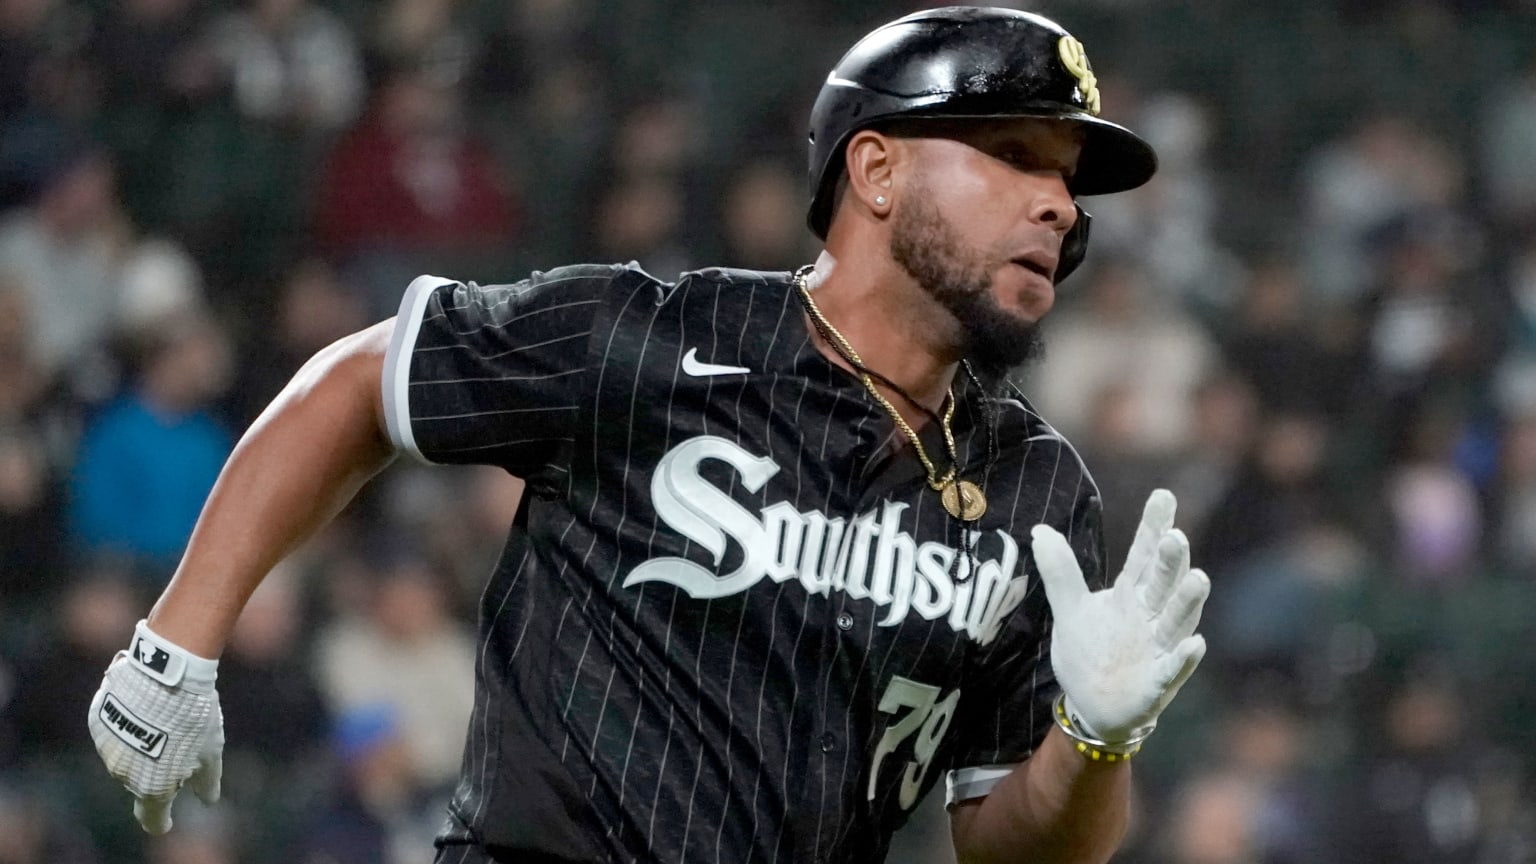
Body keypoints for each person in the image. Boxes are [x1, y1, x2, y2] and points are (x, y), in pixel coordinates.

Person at [87, 8, 1211, 864]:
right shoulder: (651, 339)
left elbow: (1003, 845)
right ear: (875, 169)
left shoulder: (1038, 493)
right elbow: (362, 382)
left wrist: (1095, 739)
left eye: (1068, 184)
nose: (1060, 206)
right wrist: (177, 641)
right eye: (1016, 154)